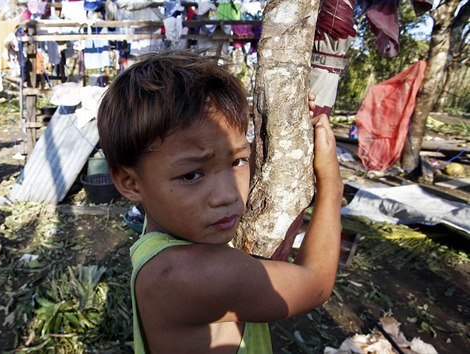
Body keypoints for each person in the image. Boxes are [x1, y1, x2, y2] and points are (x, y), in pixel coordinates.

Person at [96, 50, 343, 353]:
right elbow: (315, 283)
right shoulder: (194, 275)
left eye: (237, 161)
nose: (228, 194)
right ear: (130, 183)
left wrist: (284, 131)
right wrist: (331, 184)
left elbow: (215, 155)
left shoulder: (164, 225)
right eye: (191, 176)